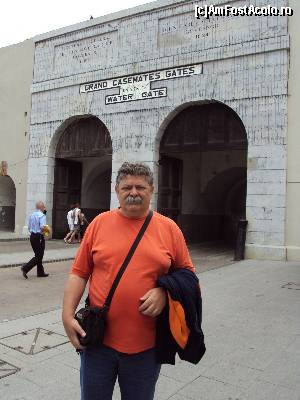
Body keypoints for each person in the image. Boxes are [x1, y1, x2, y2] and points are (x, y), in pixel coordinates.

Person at [62, 162, 195, 400]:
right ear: (117, 191)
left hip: (146, 348)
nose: (134, 192)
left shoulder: (169, 229)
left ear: (152, 190)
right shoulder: (99, 224)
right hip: (98, 343)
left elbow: (189, 278)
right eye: (127, 187)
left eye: (140, 187)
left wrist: (165, 293)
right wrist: (66, 315)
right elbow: (79, 273)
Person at [21, 201, 49, 279]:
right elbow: (43, 227)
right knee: (39, 256)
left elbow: (29, 227)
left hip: (32, 236)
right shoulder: (42, 216)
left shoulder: (32, 215)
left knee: (38, 254)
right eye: (44, 207)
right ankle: (25, 268)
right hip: (39, 237)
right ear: (41, 207)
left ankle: (40, 272)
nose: (44, 208)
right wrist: (47, 232)